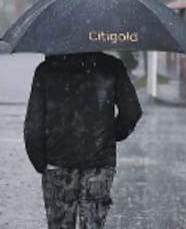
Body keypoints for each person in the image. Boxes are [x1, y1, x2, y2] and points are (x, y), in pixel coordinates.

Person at [23, 51, 143, 229]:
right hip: (99, 163)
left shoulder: (46, 70)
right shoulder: (112, 67)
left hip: (57, 162)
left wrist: (40, 163)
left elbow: (33, 126)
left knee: (60, 224)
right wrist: (109, 136)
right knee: (93, 224)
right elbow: (132, 111)